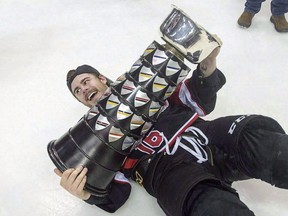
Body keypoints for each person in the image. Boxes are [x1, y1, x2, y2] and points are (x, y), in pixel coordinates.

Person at [53, 43, 288, 215]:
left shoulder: (145, 85)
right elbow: (117, 194)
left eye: (85, 81)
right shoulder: (89, 140)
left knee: (265, 145)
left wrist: (207, 66)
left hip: (204, 134)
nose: (83, 90)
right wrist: (86, 194)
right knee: (212, 208)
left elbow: (197, 100)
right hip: (167, 172)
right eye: (77, 91)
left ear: (101, 78)